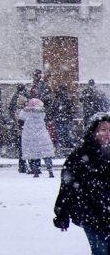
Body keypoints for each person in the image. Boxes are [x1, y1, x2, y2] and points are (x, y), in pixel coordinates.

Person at [54, 113, 110, 254]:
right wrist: (62, 212)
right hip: (91, 213)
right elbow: (67, 186)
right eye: (104, 130)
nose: (108, 134)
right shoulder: (80, 155)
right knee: (100, 250)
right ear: (94, 131)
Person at [18, 97, 56, 178]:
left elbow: (21, 117)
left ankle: (36, 171)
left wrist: (25, 107)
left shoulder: (26, 113)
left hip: (31, 136)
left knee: (34, 155)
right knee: (46, 154)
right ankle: (50, 170)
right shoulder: (41, 113)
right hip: (42, 136)